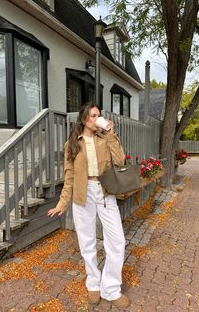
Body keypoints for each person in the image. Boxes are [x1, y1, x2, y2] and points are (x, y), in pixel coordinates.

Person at [47, 103, 130, 309]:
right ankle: (93, 283)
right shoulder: (72, 144)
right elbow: (70, 176)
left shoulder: (105, 139)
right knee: (87, 242)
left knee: (117, 241)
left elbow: (120, 161)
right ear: (84, 119)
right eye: (94, 116)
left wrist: (111, 133)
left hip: (104, 192)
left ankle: (111, 288)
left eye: (99, 115)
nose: (97, 119)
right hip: (82, 195)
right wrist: (62, 202)